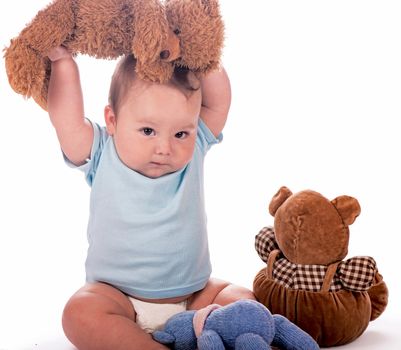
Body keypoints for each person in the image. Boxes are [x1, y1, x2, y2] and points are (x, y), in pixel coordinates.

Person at [47, 46, 255, 350]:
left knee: (242, 302)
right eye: (148, 130)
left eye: (180, 134)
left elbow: (219, 101)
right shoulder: (102, 153)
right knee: (79, 313)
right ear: (113, 120)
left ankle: (206, 332)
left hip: (195, 298)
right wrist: (63, 63)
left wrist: (198, 48)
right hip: (120, 300)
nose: (165, 148)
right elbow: (67, 121)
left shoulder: (194, 148)